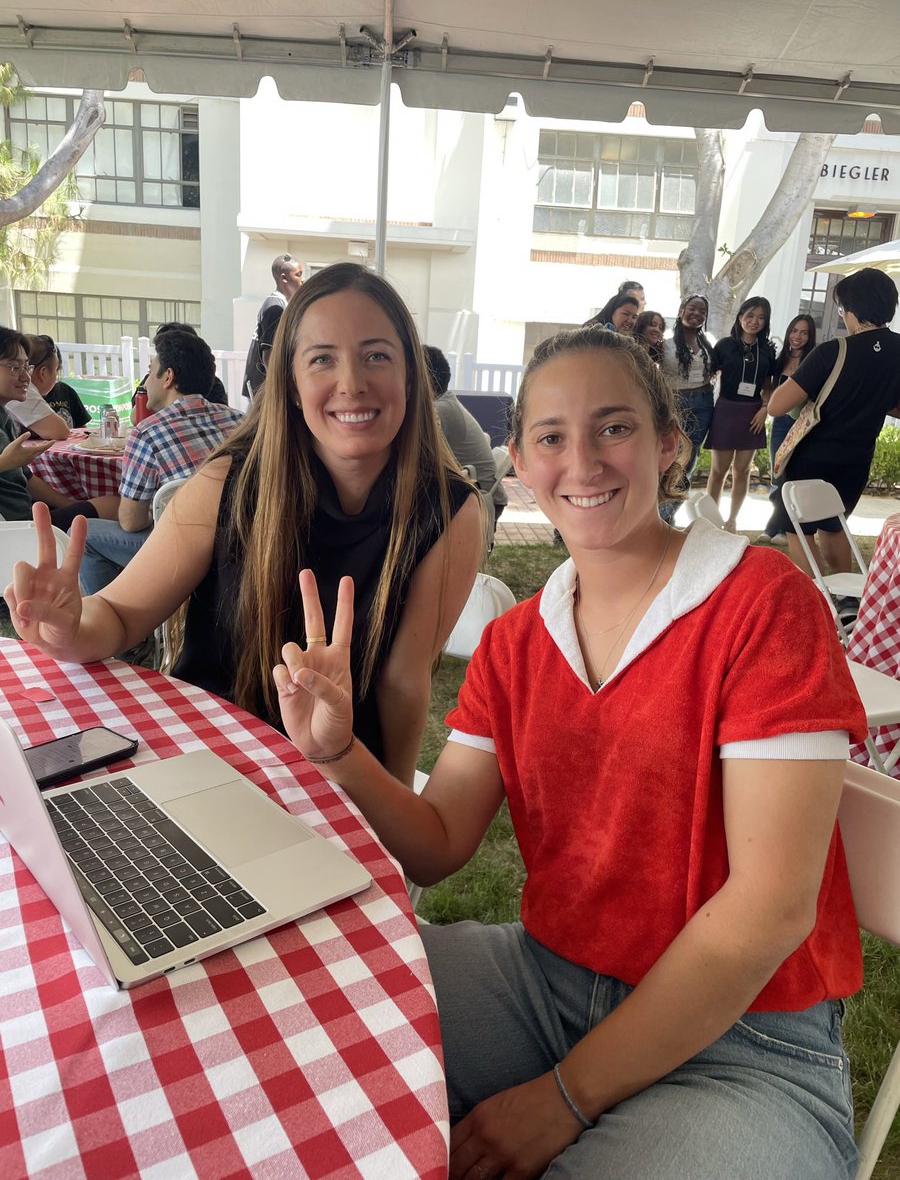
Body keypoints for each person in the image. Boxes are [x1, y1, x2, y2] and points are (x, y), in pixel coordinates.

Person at [271, 324, 866, 1180]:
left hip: (749, 1037)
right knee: (296, 1018)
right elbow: (440, 845)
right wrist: (338, 755)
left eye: (614, 428)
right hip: (548, 983)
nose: (582, 462)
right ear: (519, 458)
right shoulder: (517, 642)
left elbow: (770, 911)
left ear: (669, 444)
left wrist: (565, 1097)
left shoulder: (765, 606)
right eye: (552, 436)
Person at [5, 264, 483, 786]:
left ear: (410, 376)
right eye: (322, 359)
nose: (352, 383)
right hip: (207, 761)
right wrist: (69, 628)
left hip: (339, 776)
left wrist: (392, 816)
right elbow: (119, 615)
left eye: (377, 356)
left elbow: (403, 683)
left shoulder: (449, 510)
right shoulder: (228, 480)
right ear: (293, 384)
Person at [80, 328, 244, 594]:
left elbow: (131, 522)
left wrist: (158, 510)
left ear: (167, 377)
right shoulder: (240, 420)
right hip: (246, 542)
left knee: (85, 534)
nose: (146, 381)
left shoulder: (147, 434)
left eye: (150, 369)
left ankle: (116, 625)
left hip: (185, 556)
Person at [768, 268, 900, 578]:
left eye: (841, 309)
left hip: (814, 457)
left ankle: (818, 596)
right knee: (834, 524)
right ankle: (848, 601)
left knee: (798, 528)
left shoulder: (834, 350)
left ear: (852, 308)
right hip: (857, 459)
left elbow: (777, 405)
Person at [0, 328, 119, 530]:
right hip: (15, 533)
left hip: (29, 519)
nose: (26, 378)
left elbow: (27, 478)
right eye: (14, 368)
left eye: (26, 367)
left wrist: (71, 505)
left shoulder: (5, 417)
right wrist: (5, 462)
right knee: (117, 506)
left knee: (112, 506)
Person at [706, 296, 776, 532]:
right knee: (718, 471)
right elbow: (708, 374)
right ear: (740, 317)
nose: (754, 321)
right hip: (726, 409)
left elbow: (768, 385)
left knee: (743, 470)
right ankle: (711, 519)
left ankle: (733, 519)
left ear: (765, 322)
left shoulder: (767, 349)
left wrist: (765, 408)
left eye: (760, 317)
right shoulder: (725, 345)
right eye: (750, 315)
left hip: (753, 413)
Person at [425, 344, 507, 538]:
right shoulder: (445, 402)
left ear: (426, 380)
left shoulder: (439, 411)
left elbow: (418, 459)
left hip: (480, 501)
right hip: (482, 495)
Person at [758, 314, 817, 544]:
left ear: (810, 336)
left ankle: (782, 528)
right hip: (780, 422)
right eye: (794, 330)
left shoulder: (813, 360)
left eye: (804, 332)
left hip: (801, 424)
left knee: (792, 475)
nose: (798, 336)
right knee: (778, 472)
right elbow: (768, 389)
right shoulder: (779, 359)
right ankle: (774, 525)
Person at [658, 294, 716, 485]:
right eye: (692, 308)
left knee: (691, 455)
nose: (697, 314)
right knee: (672, 452)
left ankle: (673, 508)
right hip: (676, 401)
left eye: (702, 311)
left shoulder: (707, 345)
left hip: (703, 402)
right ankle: (664, 505)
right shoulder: (664, 345)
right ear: (681, 311)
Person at [241, 254, 304, 399]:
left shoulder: (280, 305)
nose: (302, 279)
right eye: (298, 275)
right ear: (284, 278)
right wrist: (278, 388)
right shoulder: (275, 307)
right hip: (263, 389)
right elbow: (268, 353)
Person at [22, 334, 90, 431]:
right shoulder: (22, 393)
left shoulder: (65, 391)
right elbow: (61, 431)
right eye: (56, 370)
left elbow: (82, 429)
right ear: (43, 373)